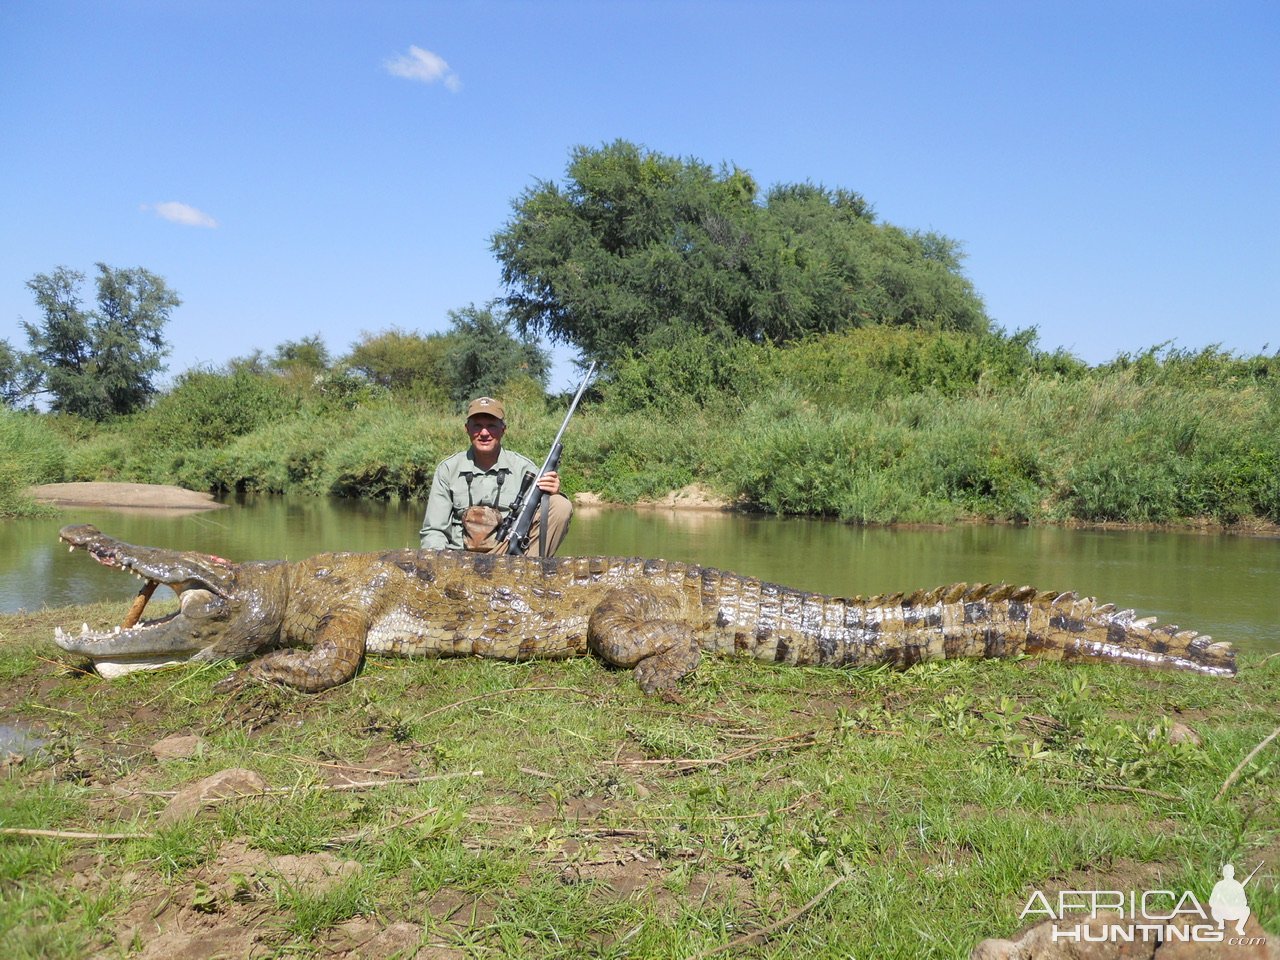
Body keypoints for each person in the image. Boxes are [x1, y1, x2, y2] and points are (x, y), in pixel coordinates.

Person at [419, 396, 573, 556]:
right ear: (467, 429)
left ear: (503, 430)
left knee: (560, 505)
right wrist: (436, 564)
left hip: (508, 556)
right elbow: (434, 531)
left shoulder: (525, 469)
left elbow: (543, 515)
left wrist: (552, 493)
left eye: (491, 426)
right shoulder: (447, 470)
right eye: (477, 426)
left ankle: (530, 573)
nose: (484, 433)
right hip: (460, 560)